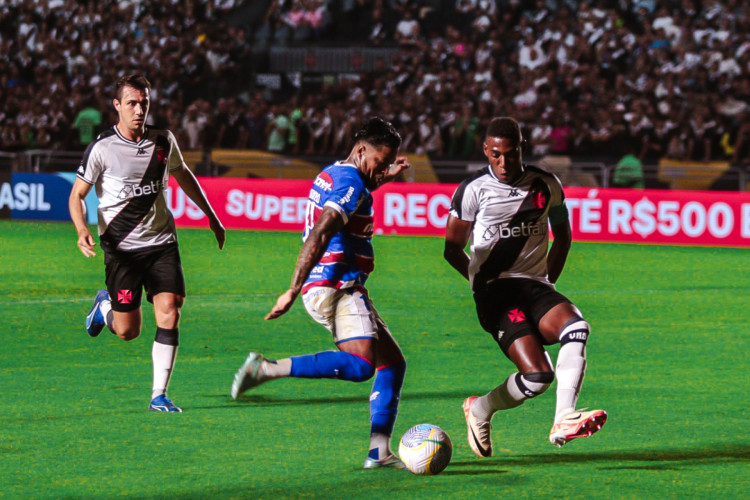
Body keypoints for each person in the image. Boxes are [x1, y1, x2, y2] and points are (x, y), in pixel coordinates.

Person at [231, 117, 410, 469]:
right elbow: (322, 231)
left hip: (331, 284)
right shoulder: (351, 182)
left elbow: (354, 194)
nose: (384, 168)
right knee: (362, 366)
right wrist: (292, 288)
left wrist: (384, 176)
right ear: (361, 150)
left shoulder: (336, 173)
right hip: (337, 285)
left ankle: (378, 451)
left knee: (392, 364)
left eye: (389, 163)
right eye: (381, 162)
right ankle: (267, 369)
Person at [443, 117, 607, 455]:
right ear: (486, 151)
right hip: (496, 293)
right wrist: (477, 284)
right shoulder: (473, 190)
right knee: (537, 378)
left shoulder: (546, 184)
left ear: (522, 149)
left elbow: (563, 235)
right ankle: (480, 409)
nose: (504, 163)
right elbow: (451, 248)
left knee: (576, 327)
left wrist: (549, 282)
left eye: (511, 154)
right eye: (496, 155)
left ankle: (563, 417)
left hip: (535, 286)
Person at [68, 74, 226, 413]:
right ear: (117, 106)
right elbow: (77, 195)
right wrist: (81, 227)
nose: (139, 110)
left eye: (144, 103)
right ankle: (104, 308)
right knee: (128, 331)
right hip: (122, 251)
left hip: (161, 243)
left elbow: (183, 175)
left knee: (170, 310)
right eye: (131, 103)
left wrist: (211, 215)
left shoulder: (163, 140)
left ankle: (159, 395)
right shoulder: (102, 148)